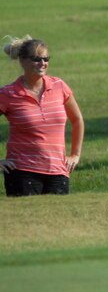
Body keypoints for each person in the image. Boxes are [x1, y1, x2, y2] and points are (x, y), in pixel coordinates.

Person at [0, 36, 85, 196]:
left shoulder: (59, 86)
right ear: (22, 61)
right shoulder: (8, 93)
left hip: (58, 172)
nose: (43, 63)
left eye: (46, 59)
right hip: (22, 172)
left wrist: (75, 155)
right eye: (36, 59)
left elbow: (77, 120)